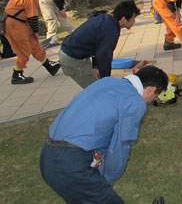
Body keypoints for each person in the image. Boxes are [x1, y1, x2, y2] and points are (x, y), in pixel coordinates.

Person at [40, 65, 168, 204]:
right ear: (150, 90)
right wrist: (104, 182)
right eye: (155, 97)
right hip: (71, 164)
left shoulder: (106, 82)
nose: (150, 102)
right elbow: (119, 147)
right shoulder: (134, 102)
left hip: (47, 156)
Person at [59, 1, 140, 89]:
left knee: (97, 87)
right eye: (133, 18)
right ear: (124, 19)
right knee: (97, 90)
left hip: (75, 54)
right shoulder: (110, 30)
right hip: (72, 59)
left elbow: (98, 45)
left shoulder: (107, 20)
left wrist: (96, 66)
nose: (134, 21)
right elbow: (104, 57)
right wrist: (106, 81)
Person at [4, 0, 61, 85]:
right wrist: (35, 32)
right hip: (15, 24)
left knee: (35, 45)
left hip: (20, 22)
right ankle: (17, 74)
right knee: (23, 50)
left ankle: (48, 65)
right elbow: (33, 16)